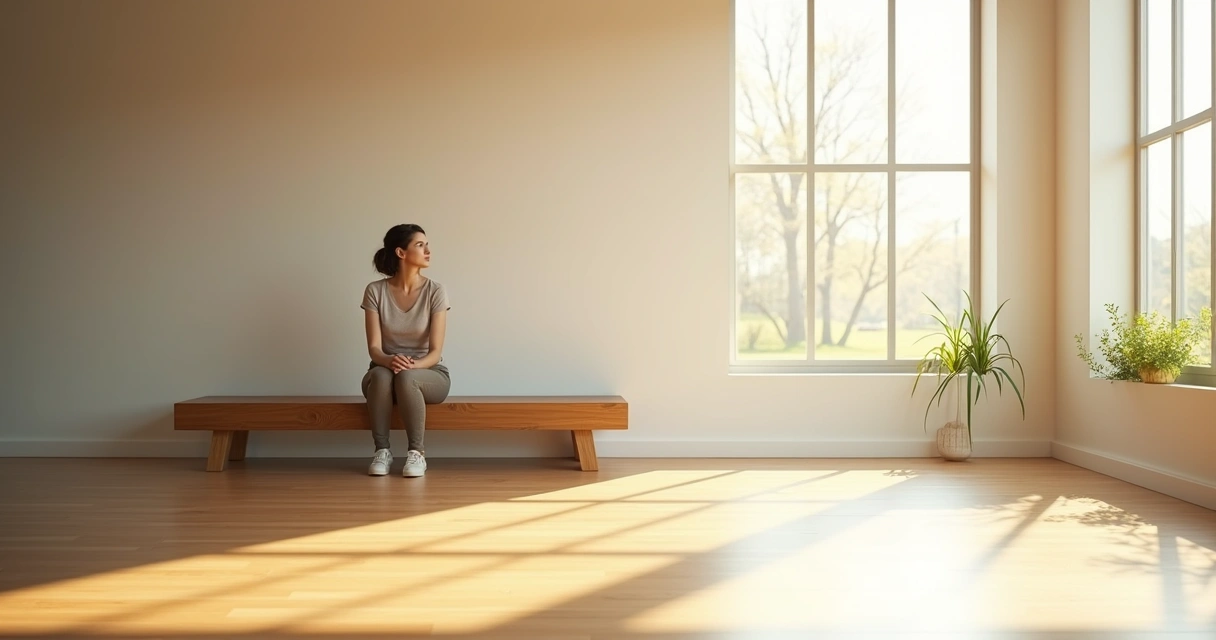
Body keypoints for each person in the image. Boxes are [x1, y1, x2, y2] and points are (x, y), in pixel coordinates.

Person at [359, 224, 451, 477]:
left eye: (427, 244)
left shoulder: (436, 291)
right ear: (401, 252)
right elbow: (374, 350)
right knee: (379, 374)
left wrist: (409, 365)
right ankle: (382, 451)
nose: (428, 250)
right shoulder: (375, 291)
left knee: (407, 377)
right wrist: (390, 361)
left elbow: (434, 352)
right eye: (420, 245)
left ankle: (416, 454)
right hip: (384, 373)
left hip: (429, 373)